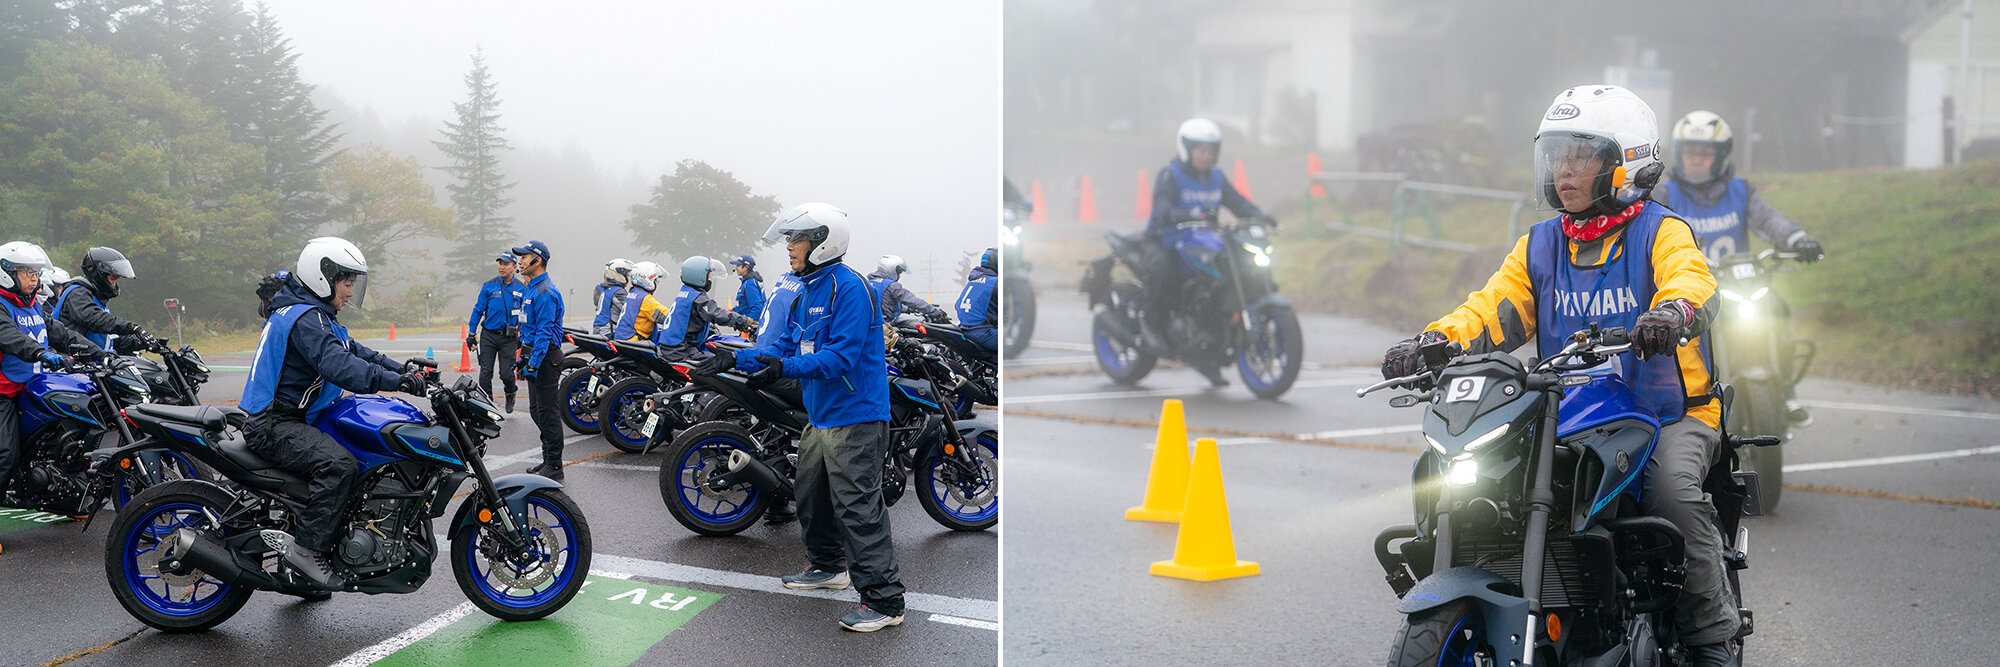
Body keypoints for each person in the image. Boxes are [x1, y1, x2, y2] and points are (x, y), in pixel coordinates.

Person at [1380, 85, 1738, 666]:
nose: (1564, 171)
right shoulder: (1542, 244)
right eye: (1556, 157)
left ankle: (1710, 636)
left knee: (1672, 493)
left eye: (1581, 156)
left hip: (1669, 410)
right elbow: (1493, 309)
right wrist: (1434, 342)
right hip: (1565, 410)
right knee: (1462, 475)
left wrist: (1671, 313)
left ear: (1627, 162)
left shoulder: (1661, 230)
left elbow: (1691, 280)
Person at [699, 202, 904, 632]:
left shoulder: (850, 288)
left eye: (798, 239)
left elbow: (840, 358)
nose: (790, 247)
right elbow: (783, 350)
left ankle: (885, 601)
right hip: (822, 415)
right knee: (809, 494)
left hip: (856, 415)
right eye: (790, 239)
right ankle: (829, 567)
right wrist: (734, 358)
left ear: (824, 243)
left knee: (858, 507)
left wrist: (782, 369)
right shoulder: (808, 288)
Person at [239, 237, 424, 589]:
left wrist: (406, 369)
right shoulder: (306, 318)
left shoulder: (313, 314)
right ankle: (307, 551)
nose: (351, 292)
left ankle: (312, 555)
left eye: (353, 283)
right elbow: (340, 366)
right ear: (323, 277)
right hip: (274, 423)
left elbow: (354, 350)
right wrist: (399, 383)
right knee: (339, 465)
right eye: (347, 282)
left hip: (295, 417)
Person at [1659, 110, 1824, 425]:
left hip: (1744, 283)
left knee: (1779, 309)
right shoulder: (1666, 195)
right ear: (1678, 155)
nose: (1696, 160)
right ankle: (1686, 400)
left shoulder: (1741, 190)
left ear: (1720, 156)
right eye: (1689, 152)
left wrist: (1797, 239)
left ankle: (1786, 393)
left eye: (1704, 153)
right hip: (1698, 290)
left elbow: (1769, 220)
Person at [1143, 118, 1269, 385]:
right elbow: (1162, 208)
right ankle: (1152, 326)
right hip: (1166, 240)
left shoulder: (1216, 177)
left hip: (1202, 243)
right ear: (1186, 149)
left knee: (1223, 279)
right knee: (1165, 275)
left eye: (1211, 150)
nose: (1206, 155)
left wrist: (1261, 217)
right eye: (1201, 150)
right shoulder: (1170, 175)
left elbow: (1238, 203)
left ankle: (1207, 349)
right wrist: (1184, 213)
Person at [0, 243, 102, 511]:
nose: (34, 278)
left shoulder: (34, 305)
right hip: (5, 392)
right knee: (6, 456)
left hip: (33, 387)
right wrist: (40, 354)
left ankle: (65, 499)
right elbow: (10, 337)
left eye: (35, 272)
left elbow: (63, 334)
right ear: (6, 273)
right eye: (27, 272)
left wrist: (99, 354)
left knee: (69, 435)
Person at [511, 240, 567, 481]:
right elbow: (528, 327)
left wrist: (533, 361)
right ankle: (547, 458)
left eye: (524, 257)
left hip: (545, 357)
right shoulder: (531, 288)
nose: (520, 261)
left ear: (538, 260)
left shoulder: (545, 291)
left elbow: (544, 332)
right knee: (536, 411)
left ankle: (555, 464)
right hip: (534, 354)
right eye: (520, 257)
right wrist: (523, 357)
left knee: (548, 412)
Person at [51, 247, 153, 354]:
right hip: (70, 363)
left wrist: (142, 343)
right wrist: (133, 328)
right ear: (99, 274)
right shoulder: (77, 294)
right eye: (112, 279)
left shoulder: (95, 297)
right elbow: (95, 320)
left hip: (93, 361)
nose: (114, 284)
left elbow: (109, 340)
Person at [657, 256, 755, 363]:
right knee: (723, 362)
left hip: (671, 347)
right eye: (708, 275)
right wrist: (744, 321)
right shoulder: (697, 298)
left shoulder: (685, 293)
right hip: (682, 350)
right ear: (698, 275)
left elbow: (691, 318)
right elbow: (716, 314)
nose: (710, 279)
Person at [465, 251, 524, 412]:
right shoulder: (489, 285)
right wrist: (471, 333)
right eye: (500, 263)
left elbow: (526, 315)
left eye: (505, 264)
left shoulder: (521, 288)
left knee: (506, 374)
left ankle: (511, 392)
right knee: (485, 373)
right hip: (488, 336)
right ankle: (487, 404)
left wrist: (524, 335)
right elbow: (478, 310)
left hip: (509, 338)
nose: (501, 267)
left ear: (514, 266)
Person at [867, 255, 950, 323]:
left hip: (869, 323)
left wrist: (909, 309)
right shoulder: (891, 285)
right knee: (913, 342)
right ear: (891, 269)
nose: (899, 276)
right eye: (899, 272)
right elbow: (912, 300)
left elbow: (885, 304)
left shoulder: (869, 282)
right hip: (883, 326)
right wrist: (935, 311)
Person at [611, 261, 670, 342]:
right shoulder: (646, 299)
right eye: (656, 280)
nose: (657, 283)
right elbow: (667, 316)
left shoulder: (633, 293)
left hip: (622, 339)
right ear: (647, 280)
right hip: (634, 342)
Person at [955, 248, 999, 353]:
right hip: (983, 332)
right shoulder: (995, 282)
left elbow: (957, 305)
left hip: (964, 329)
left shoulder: (973, 281)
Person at [592, 258, 634, 337]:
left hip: (598, 329)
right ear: (619, 275)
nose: (629, 278)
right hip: (609, 332)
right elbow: (629, 312)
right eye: (628, 275)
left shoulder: (601, 288)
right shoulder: (618, 292)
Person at [728, 254, 765, 323]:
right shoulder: (750, 281)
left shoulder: (750, 283)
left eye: (738, 265)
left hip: (749, 328)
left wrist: (749, 324)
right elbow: (744, 306)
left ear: (746, 267)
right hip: (746, 324)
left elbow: (757, 308)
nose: (736, 268)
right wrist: (732, 312)